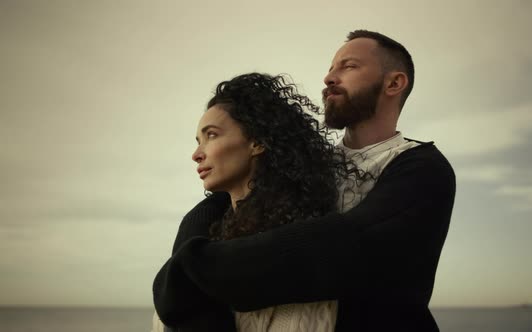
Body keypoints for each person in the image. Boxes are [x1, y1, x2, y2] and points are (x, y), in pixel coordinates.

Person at [154, 29, 456, 331]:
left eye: (348, 66)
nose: (329, 78)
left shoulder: (422, 168)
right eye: (330, 68)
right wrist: (188, 258)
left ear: (394, 83)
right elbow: (225, 203)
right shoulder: (303, 165)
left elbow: (352, 247)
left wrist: (190, 266)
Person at [152, 72, 361, 331]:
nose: (196, 154)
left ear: (258, 142)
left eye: (212, 135)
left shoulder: (298, 252)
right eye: (198, 141)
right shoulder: (203, 238)